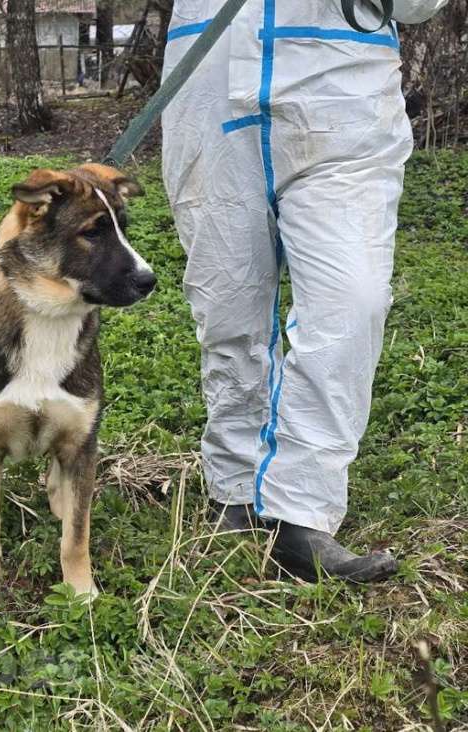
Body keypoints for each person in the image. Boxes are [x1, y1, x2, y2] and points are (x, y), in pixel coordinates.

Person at [160, 0, 447, 581]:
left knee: (352, 299)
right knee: (227, 304)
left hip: (340, 94)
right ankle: (237, 490)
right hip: (208, 82)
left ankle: (302, 513)